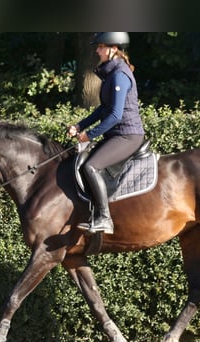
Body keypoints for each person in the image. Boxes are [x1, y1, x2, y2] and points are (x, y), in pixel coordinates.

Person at [67, 32, 145, 234]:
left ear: (114, 49)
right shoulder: (112, 74)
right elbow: (103, 109)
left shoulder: (120, 75)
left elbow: (115, 115)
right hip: (118, 135)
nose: (97, 50)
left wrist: (89, 135)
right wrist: (80, 126)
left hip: (128, 135)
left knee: (91, 166)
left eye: (101, 46)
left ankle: (104, 218)